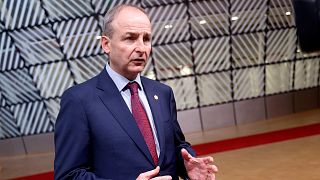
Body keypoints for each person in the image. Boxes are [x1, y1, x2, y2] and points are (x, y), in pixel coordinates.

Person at [54, 4, 218, 180]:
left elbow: (176, 145)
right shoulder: (79, 101)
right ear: (106, 44)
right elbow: (69, 175)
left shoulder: (163, 93)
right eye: (130, 38)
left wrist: (186, 165)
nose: (141, 48)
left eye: (146, 39)